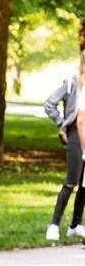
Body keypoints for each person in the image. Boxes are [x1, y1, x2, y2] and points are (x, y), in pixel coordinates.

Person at [43, 50, 85, 242]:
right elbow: (49, 104)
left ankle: (75, 226)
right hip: (75, 137)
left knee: (84, 185)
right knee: (71, 181)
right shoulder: (72, 83)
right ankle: (53, 225)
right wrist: (61, 123)